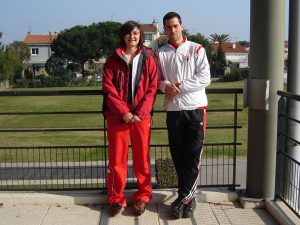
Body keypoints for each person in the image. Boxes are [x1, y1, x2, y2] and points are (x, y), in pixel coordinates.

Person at [156, 12, 211, 219]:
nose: (172, 30)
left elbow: (205, 78)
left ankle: (182, 199)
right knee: (178, 157)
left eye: (175, 26)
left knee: (193, 157)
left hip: (196, 109)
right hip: (173, 110)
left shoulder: (196, 48)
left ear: (182, 26)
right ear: (164, 29)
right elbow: (158, 80)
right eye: (168, 27)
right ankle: (189, 198)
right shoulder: (161, 52)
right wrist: (166, 86)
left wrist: (180, 86)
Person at [102, 20, 157, 216]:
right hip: (118, 118)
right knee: (117, 160)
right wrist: (124, 112)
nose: (132, 37)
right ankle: (116, 199)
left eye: (135, 33)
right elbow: (109, 90)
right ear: (122, 36)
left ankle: (143, 197)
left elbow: (152, 89)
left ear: (140, 36)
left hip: (141, 118)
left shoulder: (149, 58)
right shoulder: (112, 60)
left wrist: (139, 113)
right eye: (128, 33)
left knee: (142, 159)